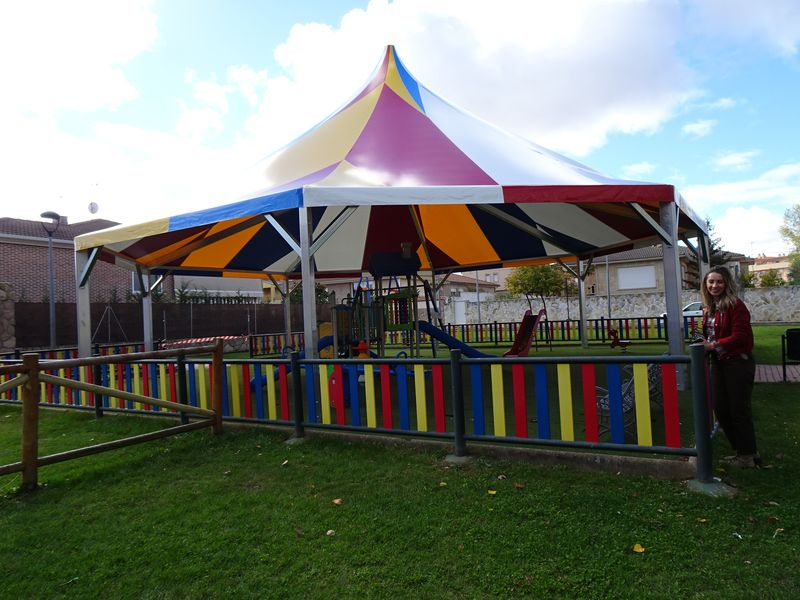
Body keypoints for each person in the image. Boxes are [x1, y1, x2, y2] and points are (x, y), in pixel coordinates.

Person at [700, 266, 760, 468]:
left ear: (726, 284)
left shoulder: (736, 305)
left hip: (737, 362)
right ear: (705, 285)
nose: (714, 285)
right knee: (721, 408)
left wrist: (714, 345)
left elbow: (741, 336)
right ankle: (743, 451)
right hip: (718, 362)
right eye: (711, 282)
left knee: (739, 410)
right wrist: (705, 343)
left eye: (719, 282)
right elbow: (712, 334)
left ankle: (747, 455)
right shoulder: (710, 307)